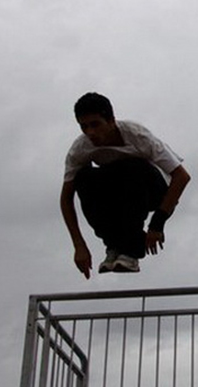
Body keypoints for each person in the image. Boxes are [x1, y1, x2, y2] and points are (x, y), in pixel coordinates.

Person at [60, 93, 191, 277]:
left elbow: (181, 176)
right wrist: (79, 245)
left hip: (156, 192)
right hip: (119, 194)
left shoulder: (137, 135)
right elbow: (66, 199)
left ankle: (131, 251)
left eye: (96, 124)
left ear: (111, 121)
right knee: (84, 177)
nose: (91, 133)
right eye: (84, 127)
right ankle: (114, 246)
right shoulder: (79, 150)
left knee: (131, 167)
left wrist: (157, 224)